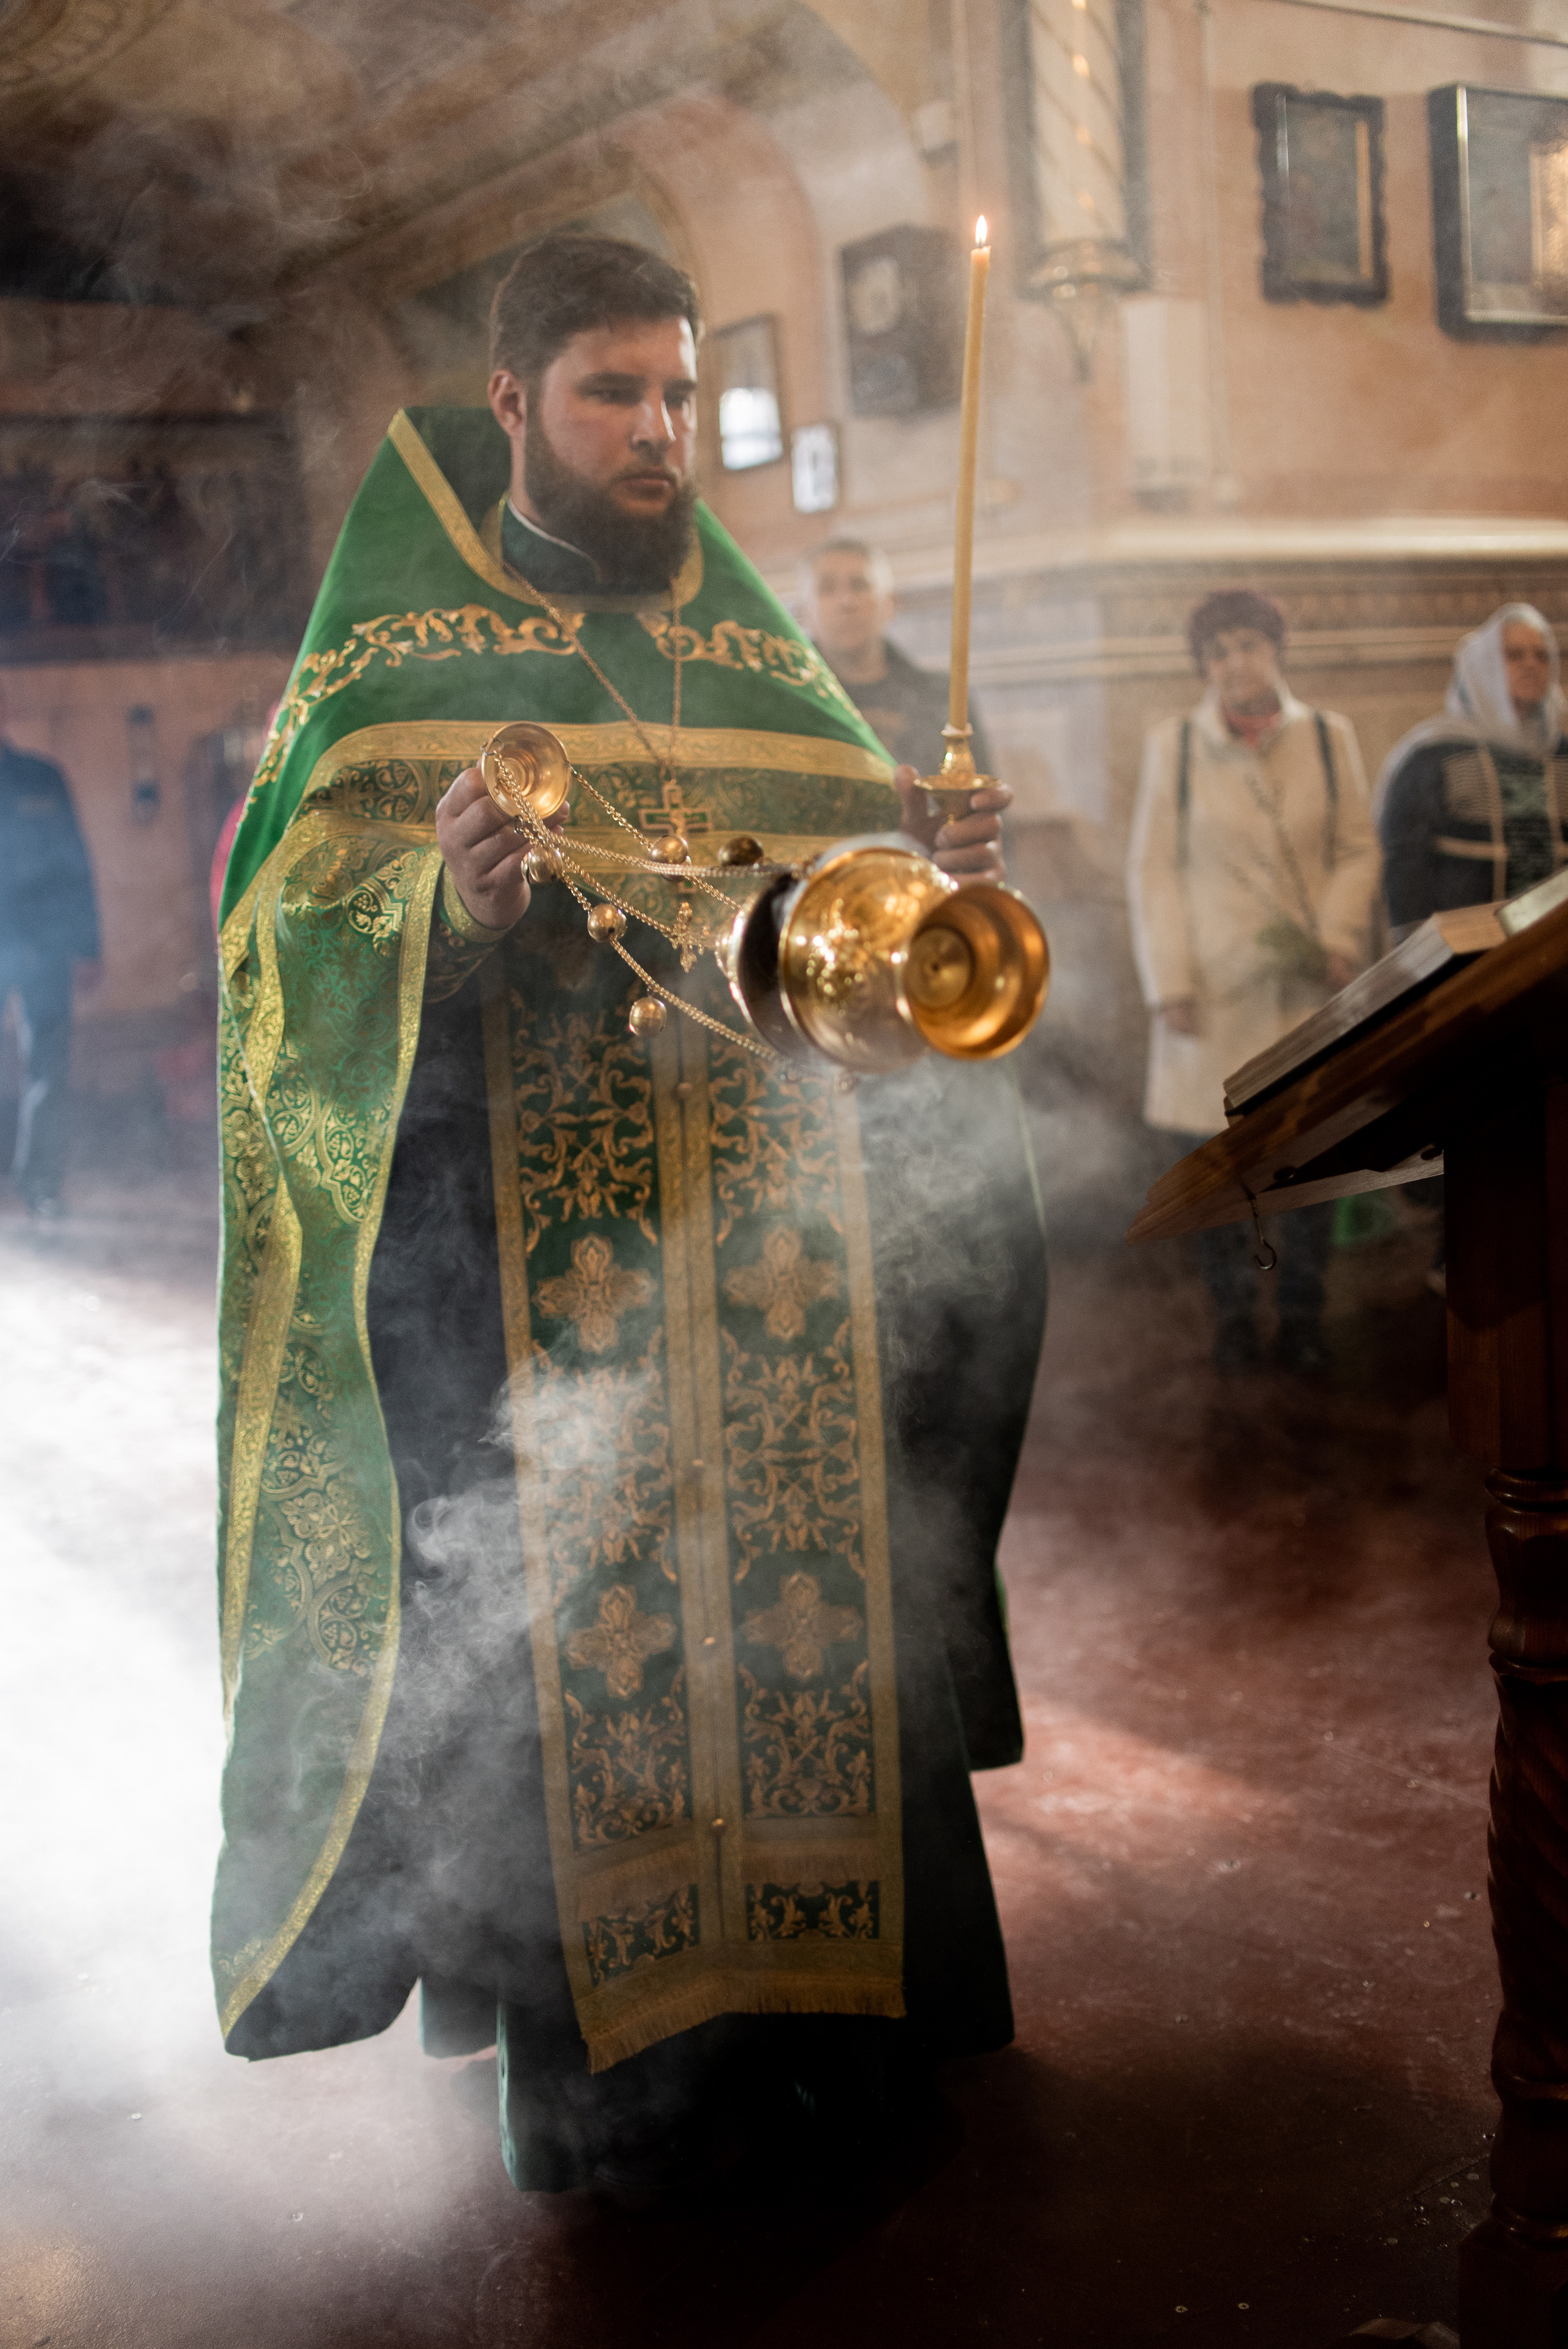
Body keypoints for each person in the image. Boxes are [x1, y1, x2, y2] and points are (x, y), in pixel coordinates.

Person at [212, 232, 1046, 2198]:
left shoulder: (759, 659)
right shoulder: (396, 668)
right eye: (614, 393)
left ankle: (853, 2033)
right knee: (581, 1663)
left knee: (818, 1645)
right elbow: (275, 961)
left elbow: (834, 946)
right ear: (511, 405)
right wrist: (450, 913)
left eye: (677, 393)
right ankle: (615, 2093)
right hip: (536, 1307)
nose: (661, 431)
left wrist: (915, 884)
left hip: (788, 1278)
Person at [1126, 589, 1381, 1374]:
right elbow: (1153, 871)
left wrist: (1337, 938)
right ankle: (1233, 1317)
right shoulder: (1173, 746)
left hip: (1306, 990)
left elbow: (1357, 849)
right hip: (1211, 992)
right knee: (1213, 1164)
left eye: (1250, 645)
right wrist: (1169, 981)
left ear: (1277, 650)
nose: (1236, 663)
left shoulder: (1330, 741)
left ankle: (1302, 1312)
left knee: (1309, 1158)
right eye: (1219, 651)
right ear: (1204, 666)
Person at [1377, 604, 1568, 937]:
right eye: (1514, 655)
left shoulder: (1562, 754)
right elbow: (1406, 862)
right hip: (1464, 958)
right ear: (1485, 666)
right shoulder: (1433, 755)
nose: (1531, 665)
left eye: (1541, 655)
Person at [0, 680, 100, 1218]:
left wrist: (88, 945)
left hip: (45, 945)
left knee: (49, 1068)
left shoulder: (42, 777)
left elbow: (75, 864)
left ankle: (41, 1182)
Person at [799, 535, 995, 780]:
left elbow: (980, 796)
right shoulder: (791, 700)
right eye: (827, 589)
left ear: (890, 603)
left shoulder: (943, 697)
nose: (846, 602)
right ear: (804, 612)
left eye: (860, 585)